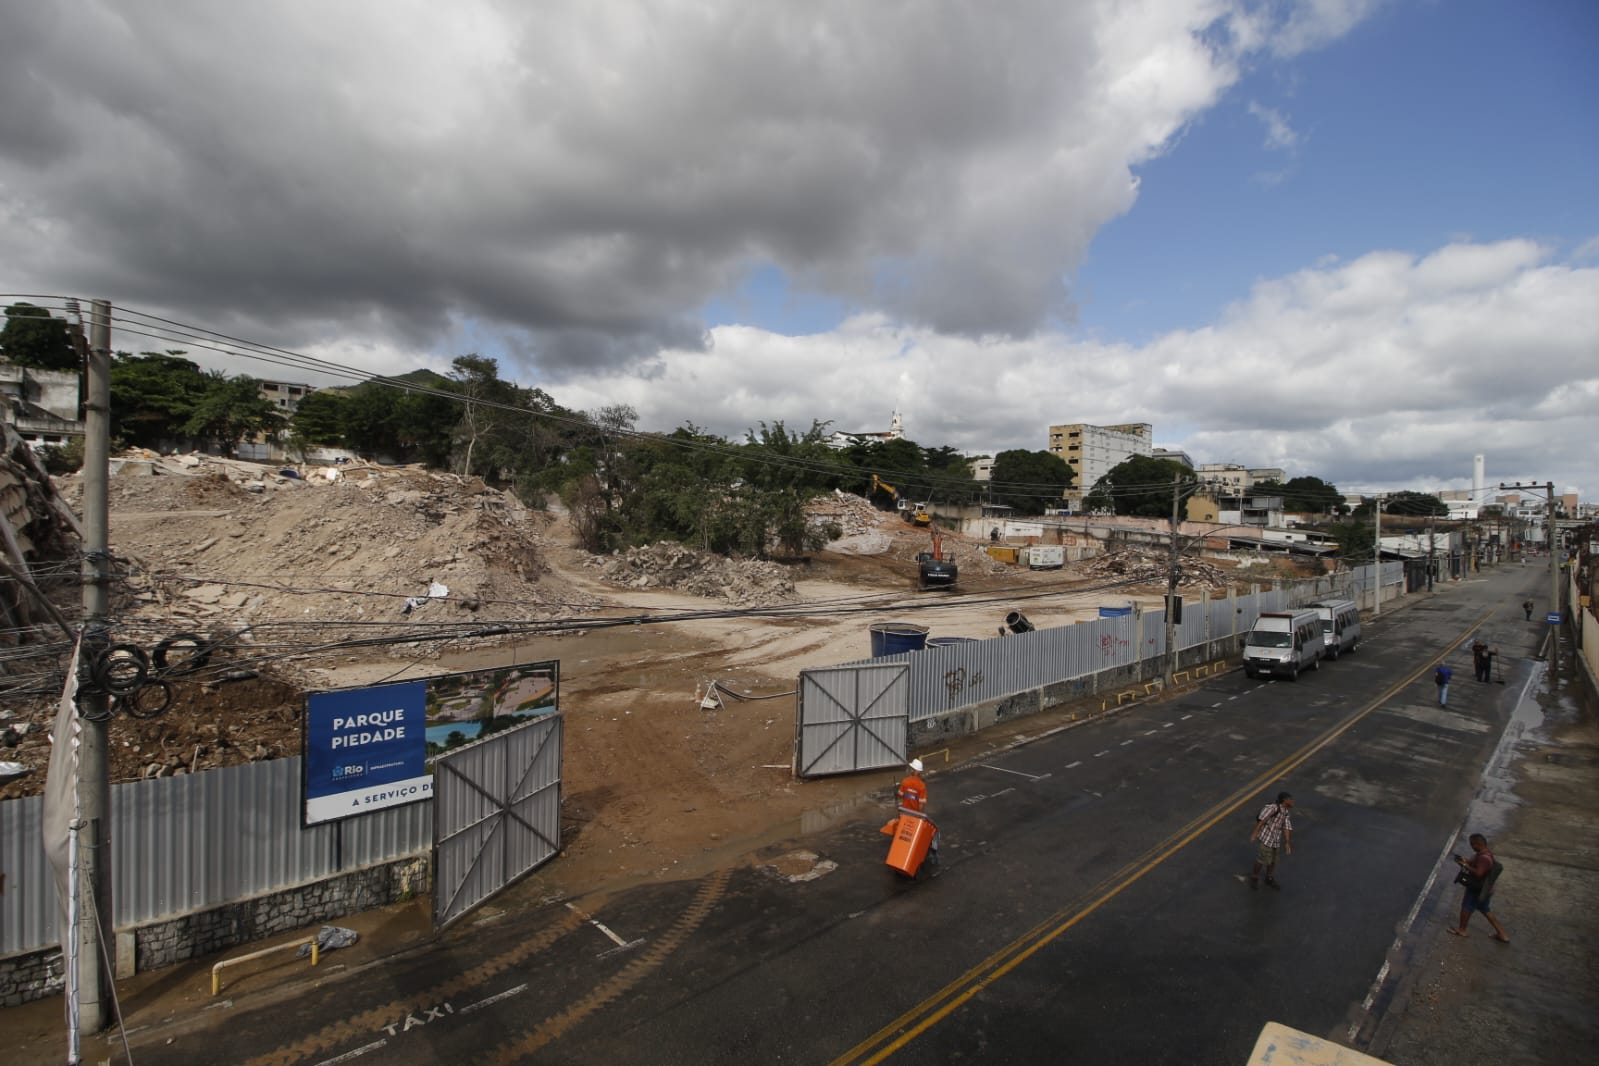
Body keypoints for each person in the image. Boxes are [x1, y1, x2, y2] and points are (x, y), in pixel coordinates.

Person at [1449, 833, 1509, 942]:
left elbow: (1478, 874)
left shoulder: (1484, 858)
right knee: (1485, 909)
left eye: (1472, 844)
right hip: (1486, 889)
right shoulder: (1484, 853)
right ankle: (1502, 934)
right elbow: (1474, 863)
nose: (1471, 846)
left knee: (1467, 906)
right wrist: (1464, 860)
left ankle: (1462, 930)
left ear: (1477, 844)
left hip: (1478, 889)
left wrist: (1465, 866)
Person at [1249, 791, 1294, 890]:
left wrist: (1287, 842)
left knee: (1273, 861)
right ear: (1285, 800)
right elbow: (1262, 820)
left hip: (1275, 840)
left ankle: (1269, 878)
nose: (1293, 801)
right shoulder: (1273, 808)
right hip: (1267, 838)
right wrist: (1255, 833)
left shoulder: (1286, 811)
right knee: (1261, 859)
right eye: (1291, 799)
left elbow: (1287, 827)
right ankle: (1254, 877)